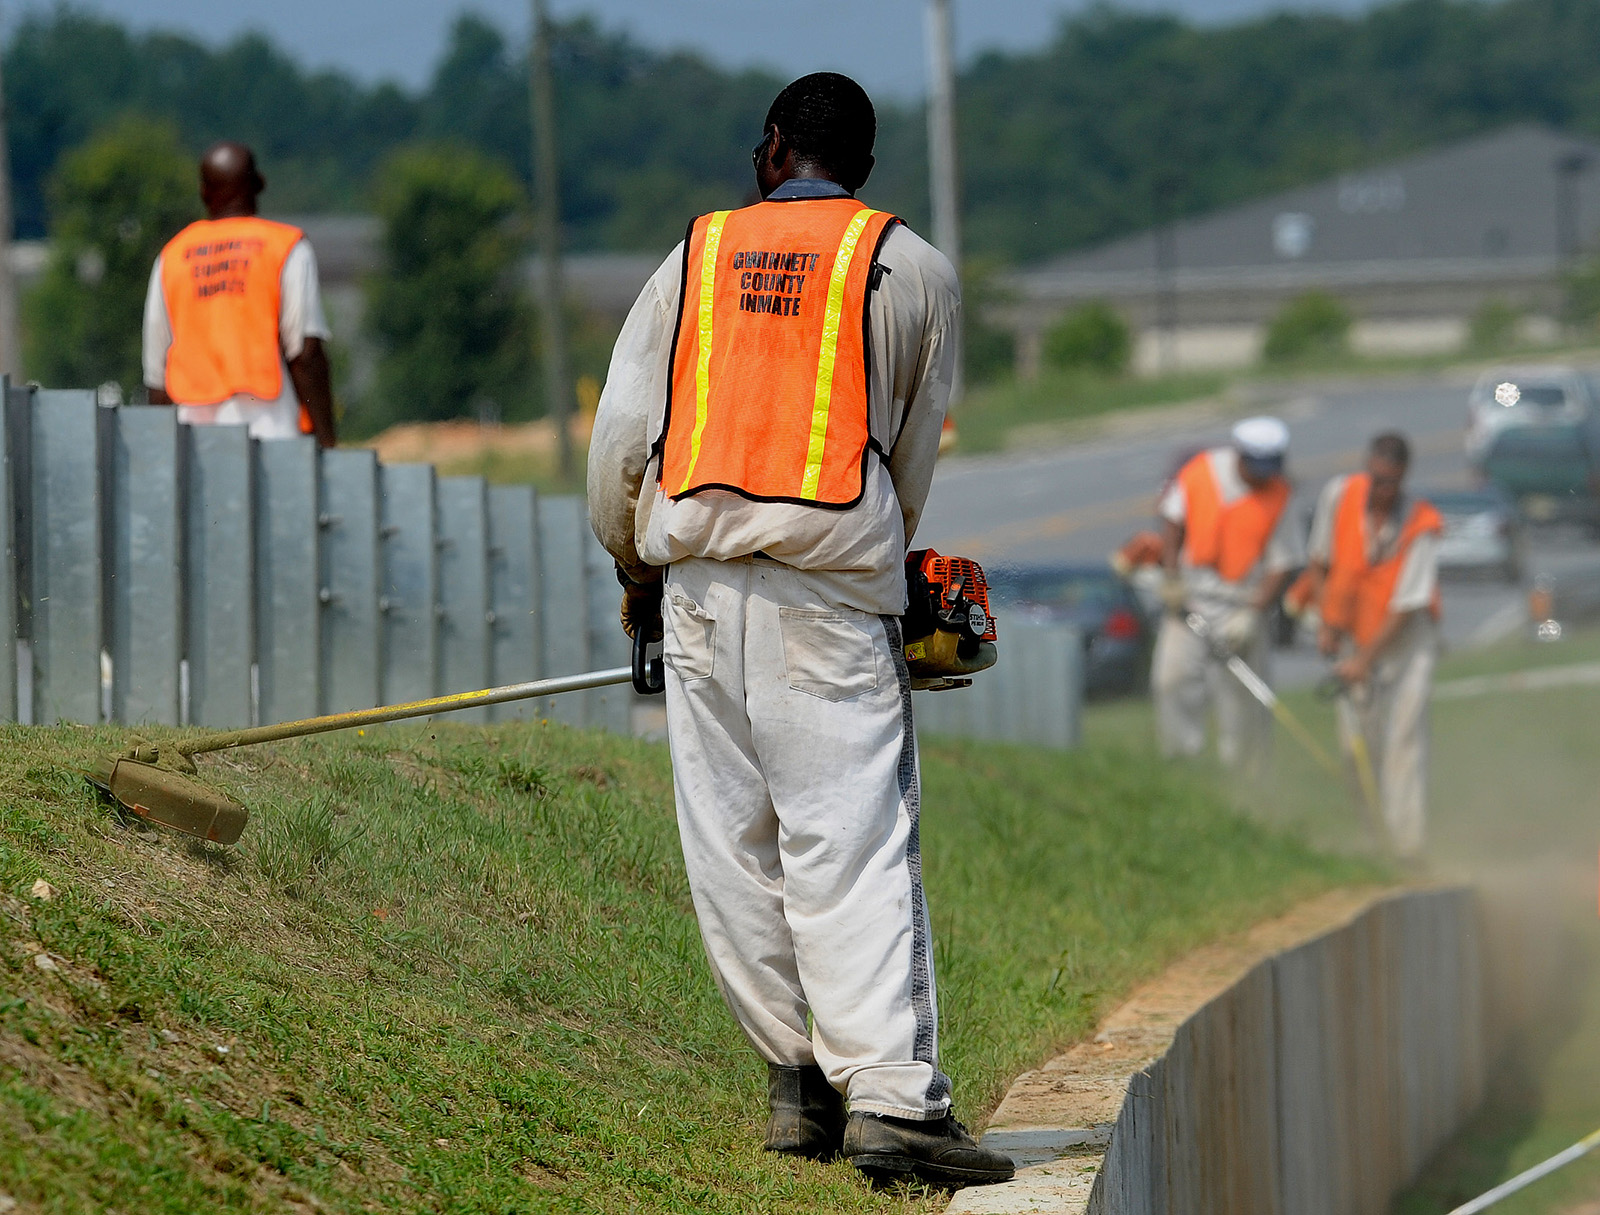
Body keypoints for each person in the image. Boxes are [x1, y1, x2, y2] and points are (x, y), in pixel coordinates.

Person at [586, 73, 1013, 1188]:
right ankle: (895, 1106)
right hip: (828, 594)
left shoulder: (695, 254)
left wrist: (637, 564)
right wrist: (886, 572)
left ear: (773, 149)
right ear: (862, 167)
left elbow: (623, 433)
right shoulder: (910, 267)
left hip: (693, 583)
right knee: (852, 844)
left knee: (735, 847)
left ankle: (799, 1089)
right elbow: (911, 455)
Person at [142, 141, 336, 447]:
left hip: (191, 440)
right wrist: (327, 443)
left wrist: (162, 452)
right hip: (270, 430)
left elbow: (157, 376)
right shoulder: (286, 248)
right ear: (259, 184)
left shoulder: (172, 256)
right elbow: (306, 354)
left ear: (204, 192)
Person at [1305, 432, 1440, 858]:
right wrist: (1328, 623)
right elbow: (1319, 562)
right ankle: (1372, 839)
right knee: (1357, 751)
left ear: (1403, 479)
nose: (1381, 489)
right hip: (1354, 639)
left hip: (1407, 649)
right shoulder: (1339, 496)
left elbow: (1403, 610)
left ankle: (1407, 846)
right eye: (1376, 477)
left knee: (1402, 743)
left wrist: (1364, 660)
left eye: (1390, 482)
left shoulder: (1422, 526)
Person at [1151, 416, 1302, 769]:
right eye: (1256, 468)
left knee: (1239, 698)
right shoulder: (1200, 473)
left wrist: (1253, 613)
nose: (1263, 477)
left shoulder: (1280, 495)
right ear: (1239, 456)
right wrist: (1172, 579)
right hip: (1191, 597)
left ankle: (1239, 768)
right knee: (1172, 679)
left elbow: (1282, 563)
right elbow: (1172, 524)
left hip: (1243, 604)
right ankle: (1180, 757)